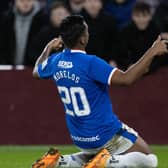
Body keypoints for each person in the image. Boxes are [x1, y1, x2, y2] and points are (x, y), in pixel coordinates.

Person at [32, 15, 167, 168]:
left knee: (95, 153)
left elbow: (37, 70)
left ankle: (60, 162)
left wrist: (48, 48)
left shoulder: (56, 61)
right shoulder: (90, 63)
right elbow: (127, 79)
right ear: (83, 39)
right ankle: (108, 162)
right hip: (105, 133)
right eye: (87, 32)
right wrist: (152, 51)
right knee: (149, 160)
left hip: (79, 136)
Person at [0, 0, 48, 65]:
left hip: (33, 68)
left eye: (29, 0)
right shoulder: (6, 18)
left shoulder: (44, 20)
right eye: (22, 1)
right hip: (8, 68)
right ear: (16, 1)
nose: (25, 3)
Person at [119, 2, 160, 70]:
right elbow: (121, 53)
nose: (141, 20)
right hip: (131, 68)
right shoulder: (125, 31)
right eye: (137, 16)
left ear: (150, 16)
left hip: (151, 68)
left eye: (144, 16)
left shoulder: (155, 30)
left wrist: (149, 67)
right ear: (132, 16)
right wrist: (129, 64)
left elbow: (160, 56)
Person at [82, 0, 119, 66]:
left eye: (95, 1)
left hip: (105, 62)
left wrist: (113, 59)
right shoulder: (77, 22)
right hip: (83, 62)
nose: (92, 5)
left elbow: (115, 43)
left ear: (101, 3)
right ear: (84, 4)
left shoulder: (110, 21)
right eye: (89, 1)